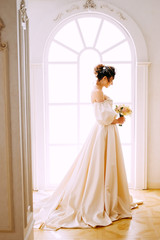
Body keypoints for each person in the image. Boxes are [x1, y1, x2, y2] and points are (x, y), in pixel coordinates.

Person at [34, 64, 138, 231]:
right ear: (105, 78)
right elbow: (101, 117)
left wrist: (116, 116)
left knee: (107, 165)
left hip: (107, 132)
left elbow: (104, 113)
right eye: (111, 80)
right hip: (103, 132)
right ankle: (100, 200)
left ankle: (109, 198)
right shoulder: (97, 92)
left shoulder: (98, 91)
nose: (111, 83)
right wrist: (117, 119)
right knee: (100, 165)